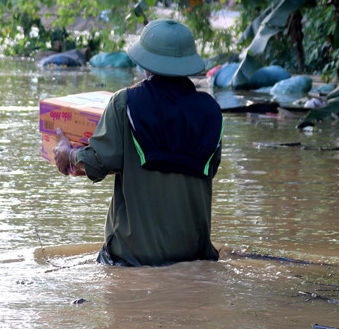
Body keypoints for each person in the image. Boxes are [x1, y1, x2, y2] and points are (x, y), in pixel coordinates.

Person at [53, 18, 224, 266]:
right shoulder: (212, 113)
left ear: (145, 64)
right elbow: (207, 169)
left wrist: (68, 155)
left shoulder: (125, 103)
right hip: (195, 257)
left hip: (133, 258)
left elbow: (96, 164)